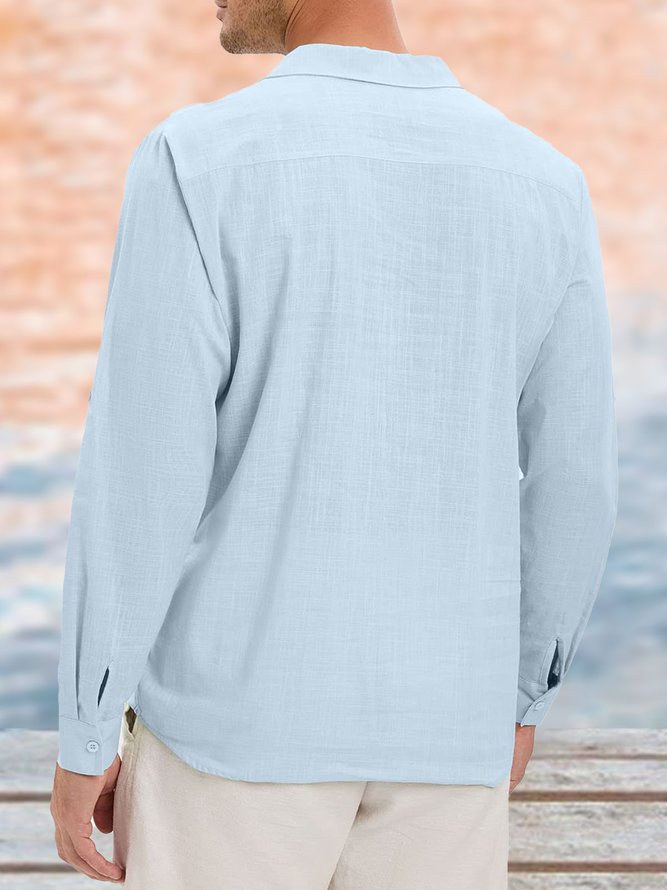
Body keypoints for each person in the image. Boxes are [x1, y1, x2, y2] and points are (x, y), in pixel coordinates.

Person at [49, 0, 619, 886]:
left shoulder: (197, 160)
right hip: (446, 732)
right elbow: (574, 482)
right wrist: (519, 697)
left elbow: (141, 480)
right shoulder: (544, 181)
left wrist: (87, 727)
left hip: (234, 735)